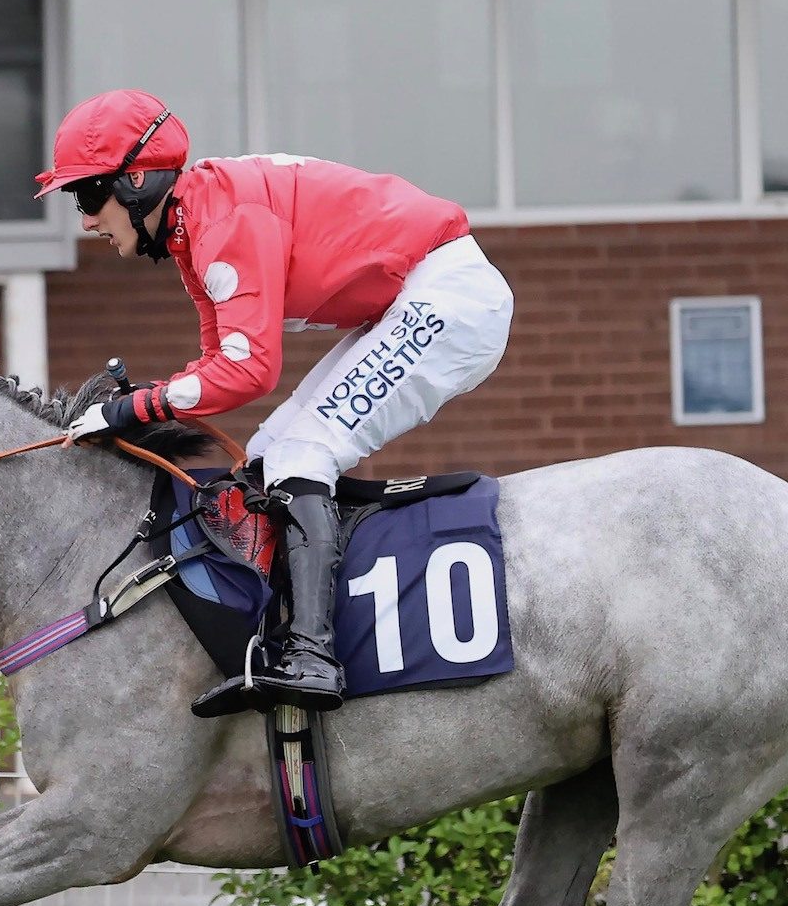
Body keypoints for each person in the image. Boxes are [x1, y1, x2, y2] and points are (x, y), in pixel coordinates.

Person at [33, 90, 514, 718]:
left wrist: (134, 409)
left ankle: (315, 653)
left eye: (89, 197)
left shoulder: (220, 222)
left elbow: (249, 371)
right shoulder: (192, 226)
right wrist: (140, 404)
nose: (86, 219)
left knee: (305, 454)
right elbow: (216, 367)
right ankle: (287, 631)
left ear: (137, 181)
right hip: (407, 299)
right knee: (265, 459)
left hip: (448, 297)